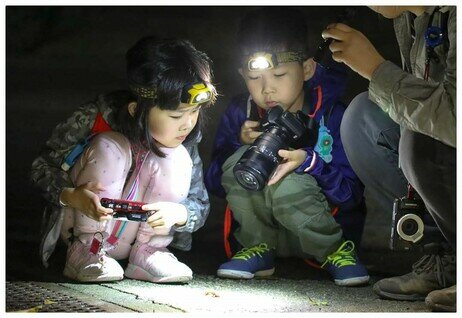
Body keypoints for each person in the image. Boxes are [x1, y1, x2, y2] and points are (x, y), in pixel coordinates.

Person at [205, 7, 369, 287]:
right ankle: (258, 250)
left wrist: (310, 162)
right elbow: (215, 183)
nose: (267, 89)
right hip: (266, 237)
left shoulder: (332, 114)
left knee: (289, 178)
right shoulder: (241, 111)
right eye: (254, 78)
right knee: (241, 160)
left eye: (279, 75)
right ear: (242, 74)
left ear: (306, 68)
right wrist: (239, 144)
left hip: (320, 234)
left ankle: (336, 252)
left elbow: (352, 196)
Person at [31, 36, 217, 283]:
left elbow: (199, 203)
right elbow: (41, 167)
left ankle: (150, 252)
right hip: (80, 224)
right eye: (176, 116)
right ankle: (87, 248)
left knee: (175, 155)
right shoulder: (98, 115)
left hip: (135, 237)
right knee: (111, 146)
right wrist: (70, 195)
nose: (188, 124)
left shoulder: (185, 138)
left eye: (195, 112)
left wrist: (179, 213)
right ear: (135, 110)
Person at [322, 6, 456, 311]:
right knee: (363, 118)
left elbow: (454, 117)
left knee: (421, 139)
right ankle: (447, 258)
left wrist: (375, 69)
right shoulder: (409, 15)